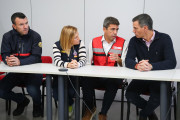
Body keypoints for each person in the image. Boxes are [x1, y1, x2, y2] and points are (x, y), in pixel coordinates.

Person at [125, 14, 177, 120]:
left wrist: (152, 66)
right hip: (143, 78)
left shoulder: (165, 38)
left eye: (135, 28)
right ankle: (149, 113)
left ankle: (144, 114)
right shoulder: (134, 40)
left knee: (158, 97)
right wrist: (137, 65)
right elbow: (128, 60)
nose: (133, 31)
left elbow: (172, 62)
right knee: (130, 94)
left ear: (145, 28)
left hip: (160, 79)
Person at [82, 17, 126, 120]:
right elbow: (88, 62)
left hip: (112, 77)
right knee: (84, 80)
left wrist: (119, 60)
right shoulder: (94, 41)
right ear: (104, 29)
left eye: (117, 29)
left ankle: (103, 113)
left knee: (114, 82)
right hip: (96, 76)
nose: (115, 32)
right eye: (112, 29)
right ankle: (90, 108)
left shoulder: (123, 42)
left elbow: (125, 64)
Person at [0, 12, 43, 117]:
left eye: (26, 23)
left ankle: (37, 106)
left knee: (32, 90)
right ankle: (22, 100)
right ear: (14, 26)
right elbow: (5, 54)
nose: (25, 27)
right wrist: (8, 60)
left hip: (33, 72)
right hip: (17, 72)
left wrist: (20, 62)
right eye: (21, 24)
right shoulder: (7, 37)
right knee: (1, 90)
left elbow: (36, 57)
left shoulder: (36, 36)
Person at [52, 25, 86, 118]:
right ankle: (70, 103)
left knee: (71, 92)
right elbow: (57, 60)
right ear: (68, 38)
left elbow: (83, 60)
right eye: (76, 37)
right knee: (56, 95)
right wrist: (68, 65)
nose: (79, 38)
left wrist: (77, 64)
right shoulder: (57, 45)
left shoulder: (80, 44)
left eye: (78, 35)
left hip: (74, 77)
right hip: (60, 77)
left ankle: (69, 105)